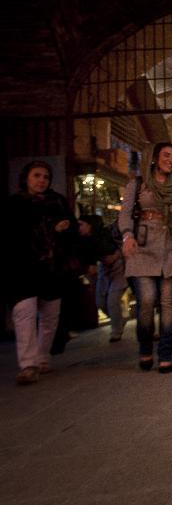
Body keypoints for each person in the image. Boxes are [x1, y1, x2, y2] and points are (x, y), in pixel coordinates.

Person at [119, 142, 172, 374]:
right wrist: (127, 236)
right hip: (142, 247)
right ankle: (145, 346)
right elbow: (126, 213)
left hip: (171, 247)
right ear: (154, 158)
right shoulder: (138, 184)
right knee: (147, 301)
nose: (170, 160)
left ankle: (165, 353)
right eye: (166, 155)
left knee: (169, 304)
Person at [4, 160, 77, 385]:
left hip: (51, 268)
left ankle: (43, 357)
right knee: (24, 312)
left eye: (45, 177)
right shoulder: (14, 204)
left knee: (50, 315)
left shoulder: (57, 202)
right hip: (22, 267)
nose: (41, 181)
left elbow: (72, 227)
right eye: (37, 176)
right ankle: (28, 364)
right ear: (26, 177)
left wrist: (69, 228)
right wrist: (51, 228)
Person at [94, 218, 128, 342]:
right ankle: (118, 321)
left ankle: (116, 331)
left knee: (112, 300)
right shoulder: (103, 233)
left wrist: (117, 255)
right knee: (100, 301)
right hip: (105, 269)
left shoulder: (118, 230)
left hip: (119, 268)